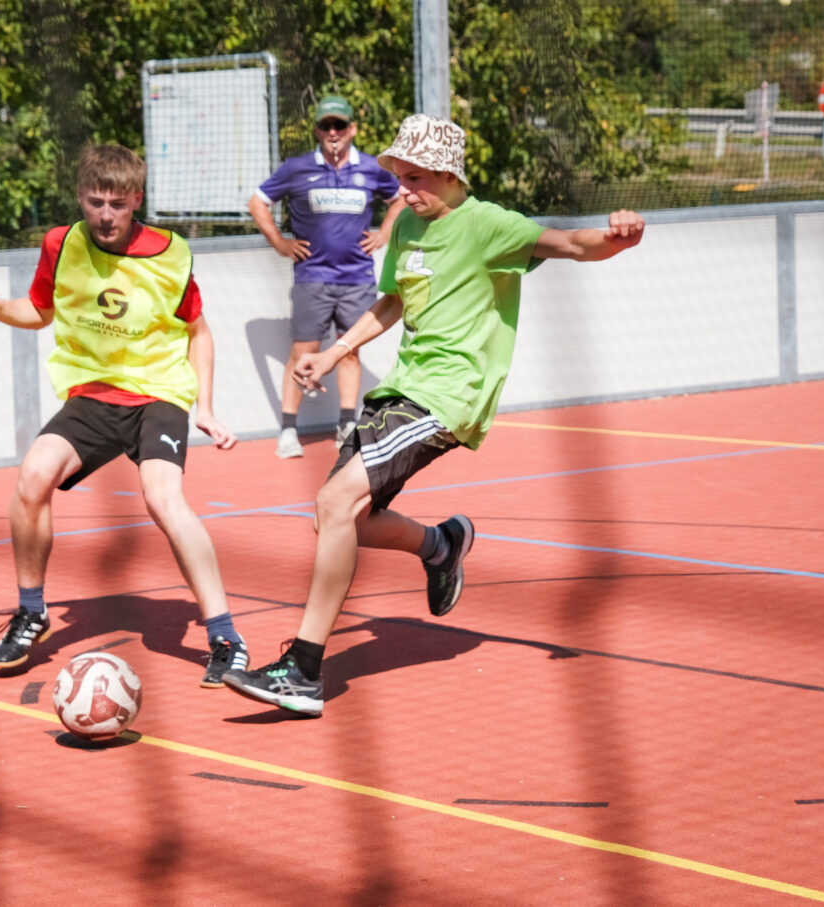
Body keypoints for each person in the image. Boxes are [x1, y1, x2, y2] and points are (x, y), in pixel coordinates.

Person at [224, 114, 646, 717]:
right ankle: (441, 544)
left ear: (448, 174)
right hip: (400, 389)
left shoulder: (487, 225)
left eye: (414, 177)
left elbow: (571, 245)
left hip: (449, 395)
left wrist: (617, 238)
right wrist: (334, 353)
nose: (401, 189)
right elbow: (394, 300)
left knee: (334, 503)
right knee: (343, 522)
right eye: (397, 175)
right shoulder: (408, 230)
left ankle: (304, 671)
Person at [0, 144, 249, 687]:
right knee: (33, 474)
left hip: (158, 393)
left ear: (136, 199)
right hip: (92, 395)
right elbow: (39, 312)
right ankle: (31, 612)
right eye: (94, 202)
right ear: (80, 198)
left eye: (117, 204)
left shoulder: (171, 253)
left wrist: (204, 406)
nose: (105, 216)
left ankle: (225, 636)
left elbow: (198, 331)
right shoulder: (60, 245)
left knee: (161, 497)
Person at [248, 94, 406, 459]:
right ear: (318, 131)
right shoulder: (297, 168)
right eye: (325, 126)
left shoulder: (371, 168)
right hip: (312, 277)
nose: (332, 132)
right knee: (303, 352)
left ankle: (347, 424)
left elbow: (399, 198)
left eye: (339, 125)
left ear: (352, 129)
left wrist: (384, 233)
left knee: (349, 351)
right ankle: (288, 429)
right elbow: (258, 202)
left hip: (357, 278)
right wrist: (279, 243)